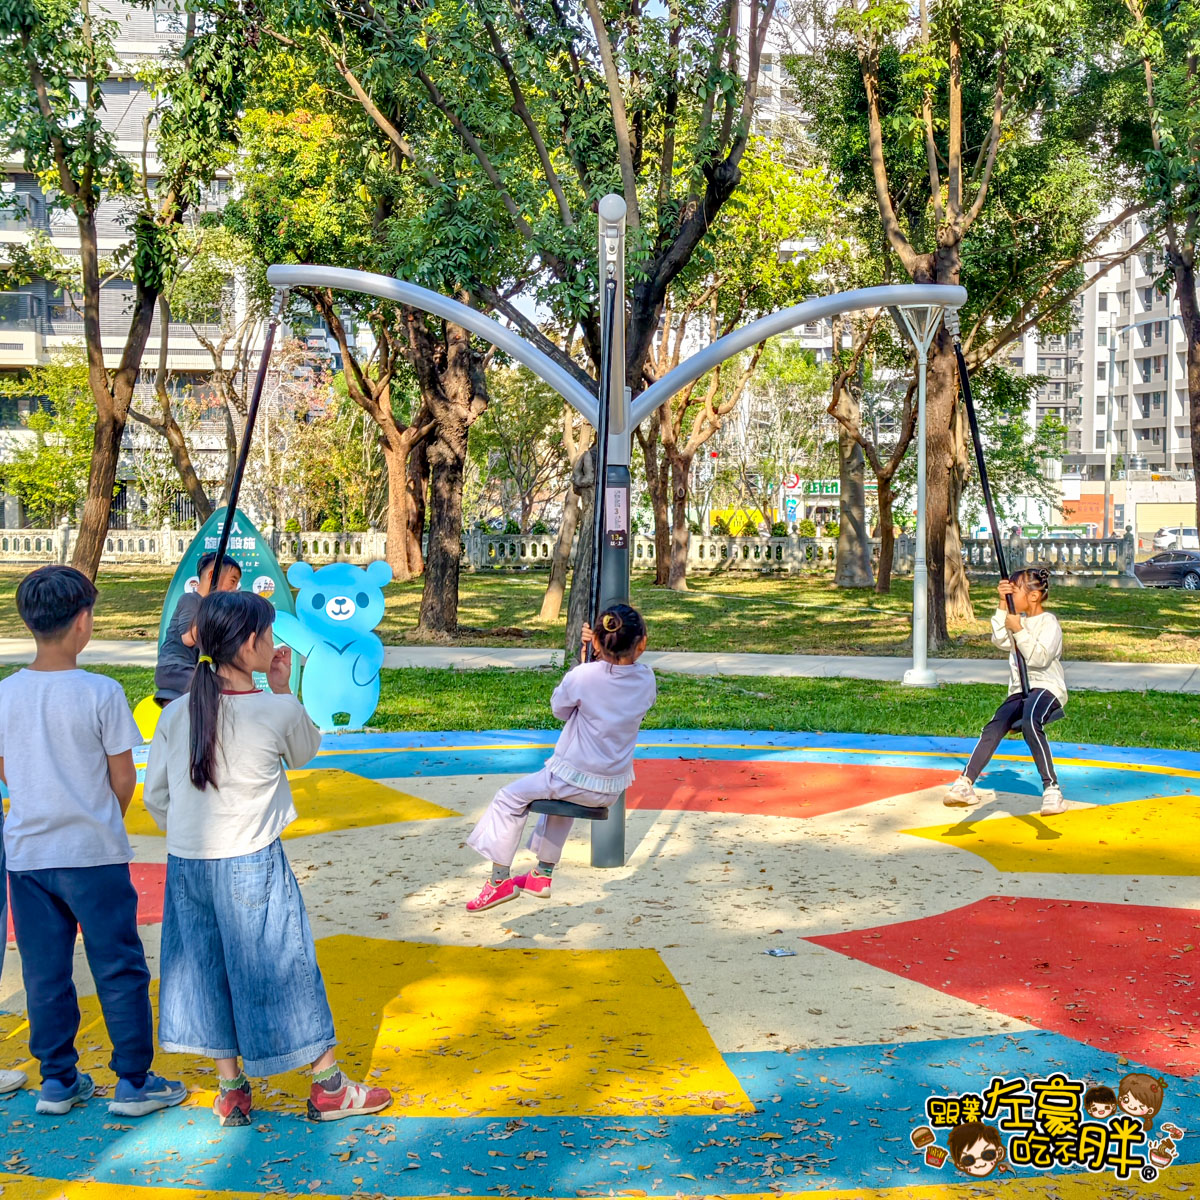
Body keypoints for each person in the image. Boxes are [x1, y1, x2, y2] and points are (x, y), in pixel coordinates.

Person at [143, 590, 392, 1126]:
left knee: (209, 969)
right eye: (269, 634)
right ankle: (327, 1086)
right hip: (252, 861)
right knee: (286, 965)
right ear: (249, 643)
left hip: (188, 864)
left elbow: (157, 798)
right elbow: (305, 751)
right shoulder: (275, 709)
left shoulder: (179, 711)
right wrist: (284, 689)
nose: (275, 643)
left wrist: (190, 833)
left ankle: (231, 1088)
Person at [0, 565, 186, 1117]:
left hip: (28, 856)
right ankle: (134, 1081)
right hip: (94, 855)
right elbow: (122, 776)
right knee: (118, 965)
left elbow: (8, 771)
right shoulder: (102, 692)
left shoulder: (6, 693)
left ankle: (57, 1080)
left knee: (44, 970)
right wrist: (105, 817)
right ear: (84, 622)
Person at [465, 604, 656, 913]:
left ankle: (498, 881)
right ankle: (542, 873)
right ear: (643, 643)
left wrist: (585, 663)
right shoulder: (647, 680)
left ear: (595, 641)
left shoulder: (582, 676)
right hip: (609, 788)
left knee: (508, 798)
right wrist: (593, 659)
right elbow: (615, 681)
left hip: (570, 776)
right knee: (561, 805)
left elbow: (560, 710)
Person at [943, 567, 1068, 816]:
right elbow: (1000, 639)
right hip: (1019, 690)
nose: (1010, 595)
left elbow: (1040, 658)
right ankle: (965, 783)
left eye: (1014, 591)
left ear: (1033, 596)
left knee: (1032, 723)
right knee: (994, 726)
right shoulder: (1014, 619)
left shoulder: (1048, 622)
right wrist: (1002, 605)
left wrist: (1019, 630)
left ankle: (1052, 790)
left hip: (1045, 688)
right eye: (1007, 591)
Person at [153, 552, 242, 705]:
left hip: (193, 669)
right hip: (175, 668)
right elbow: (188, 638)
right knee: (215, 692)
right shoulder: (190, 600)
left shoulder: (213, 610)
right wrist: (209, 608)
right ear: (212, 575)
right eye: (232, 581)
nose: (234, 589)